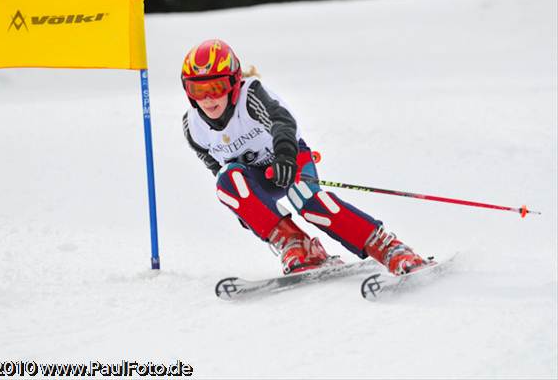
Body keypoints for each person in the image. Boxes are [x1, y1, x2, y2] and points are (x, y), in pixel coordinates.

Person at [181, 39, 427, 276]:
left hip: (289, 158)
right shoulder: (193, 128)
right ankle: (297, 245)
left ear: (234, 83)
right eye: (197, 89)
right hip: (259, 177)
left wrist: (285, 156)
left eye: (216, 87)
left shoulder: (251, 96)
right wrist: (251, 212)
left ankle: (388, 248)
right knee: (225, 181)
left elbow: (283, 123)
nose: (207, 98)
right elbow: (218, 169)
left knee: (305, 198)